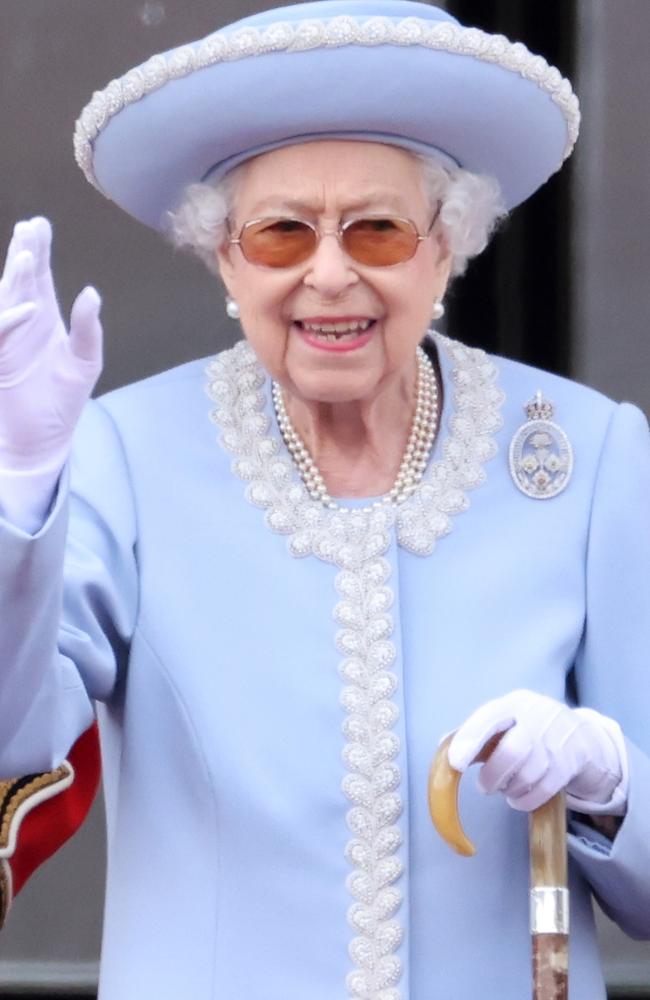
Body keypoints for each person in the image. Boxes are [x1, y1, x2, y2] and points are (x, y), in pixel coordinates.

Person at [0, 2, 648, 998]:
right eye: (279, 233)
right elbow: (15, 741)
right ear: (224, 258)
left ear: (446, 248)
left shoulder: (589, 453)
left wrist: (609, 783)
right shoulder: (121, 456)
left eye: (378, 230)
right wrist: (19, 495)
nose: (329, 272)